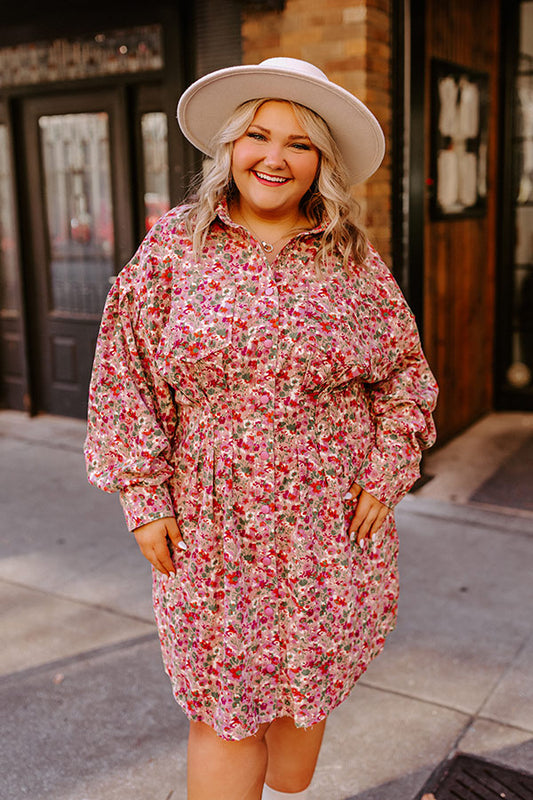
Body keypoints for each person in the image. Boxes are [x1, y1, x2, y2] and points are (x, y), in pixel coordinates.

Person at [84, 57, 438, 800]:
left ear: (320, 164)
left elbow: (405, 376)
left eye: (298, 144)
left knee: (293, 760)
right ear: (229, 147)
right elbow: (125, 373)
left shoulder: (350, 260)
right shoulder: (176, 248)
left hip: (326, 521)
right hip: (213, 520)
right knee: (224, 710)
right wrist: (144, 496)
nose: (273, 158)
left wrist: (386, 470)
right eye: (257, 135)